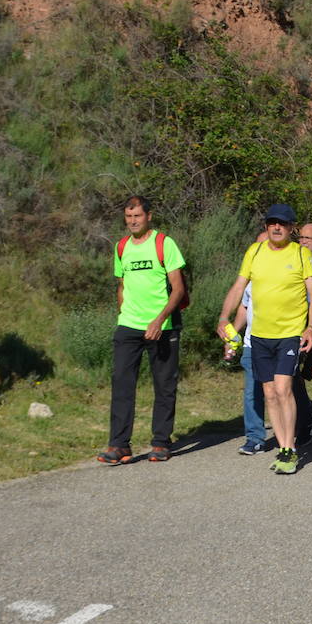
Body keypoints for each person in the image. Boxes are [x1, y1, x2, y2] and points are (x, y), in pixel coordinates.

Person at [216, 203, 312, 475]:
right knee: (269, 392)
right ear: (266, 225)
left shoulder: (300, 255)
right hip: (260, 335)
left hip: (289, 334)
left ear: (291, 228)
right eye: (272, 222)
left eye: (282, 223)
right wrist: (223, 317)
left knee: (284, 389)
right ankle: (284, 447)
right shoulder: (256, 251)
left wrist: (310, 327)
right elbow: (239, 286)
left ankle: (292, 449)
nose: (277, 227)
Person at [98, 195, 186, 465]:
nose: (133, 221)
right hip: (129, 326)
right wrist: (124, 314)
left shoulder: (164, 244)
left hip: (162, 326)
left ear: (149, 216)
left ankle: (160, 442)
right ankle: (119, 445)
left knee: (164, 385)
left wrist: (159, 320)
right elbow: (122, 285)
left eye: (137, 216)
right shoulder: (122, 246)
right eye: (128, 217)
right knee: (122, 385)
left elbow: (178, 288)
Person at [228, 285, 269, 454]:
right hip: (251, 344)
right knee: (252, 392)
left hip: (280, 343)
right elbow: (244, 307)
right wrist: (233, 337)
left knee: (284, 392)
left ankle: (299, 428)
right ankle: (254, 438)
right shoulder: (250, 276)